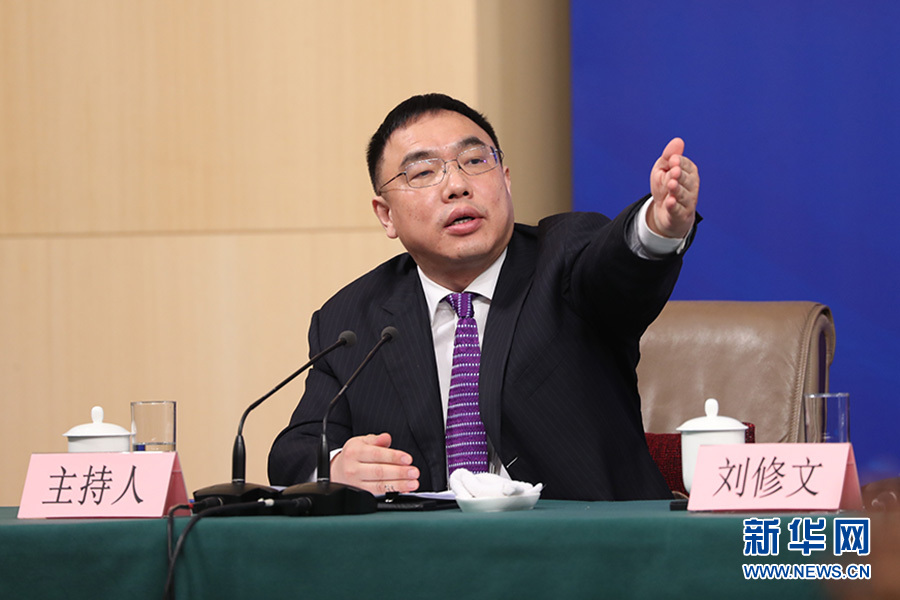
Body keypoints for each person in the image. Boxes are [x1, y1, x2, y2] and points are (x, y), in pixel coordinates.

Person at [268, 93, 700, 501]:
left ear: (505, 181)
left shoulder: (565, 258)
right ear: (386, 215)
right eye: (423, 173)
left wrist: (657, 227)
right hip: (425, 550)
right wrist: (336, 467)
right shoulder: (352, 320)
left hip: (585, 544)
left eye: (474, 161)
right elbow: (294, 451)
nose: (456, 185)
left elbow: (617, 266)